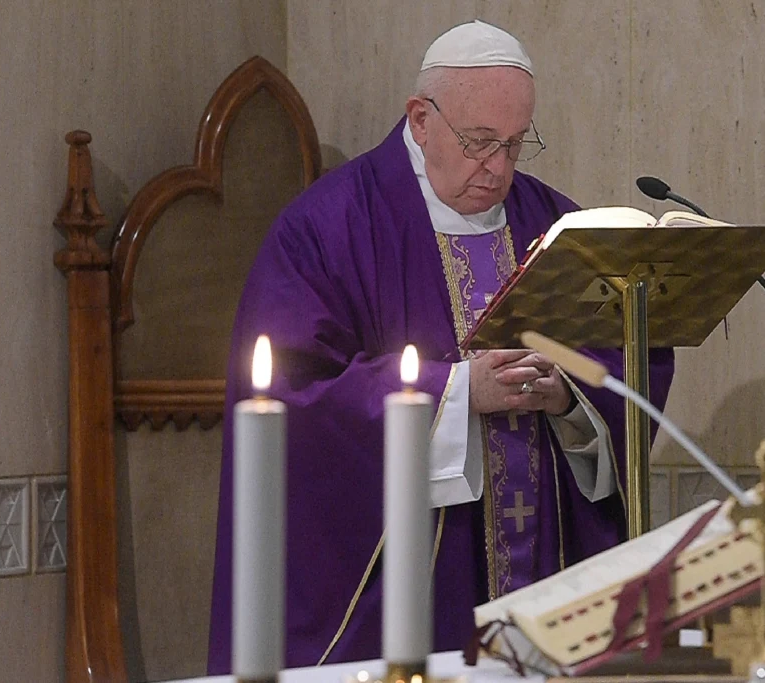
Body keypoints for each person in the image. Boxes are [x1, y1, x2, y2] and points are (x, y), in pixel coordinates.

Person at [207, 20, 675, 673]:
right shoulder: (329, 228)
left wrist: (568, 391)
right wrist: (455, 393)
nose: (500, 168)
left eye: (516, 144)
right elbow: (293, 393)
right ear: (421, 119)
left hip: (543, 569)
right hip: (418, 587)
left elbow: (631, 352)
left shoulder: (557, 226)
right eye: (481, 142)